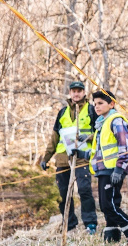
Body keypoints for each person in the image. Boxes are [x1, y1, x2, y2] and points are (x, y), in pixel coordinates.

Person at [38, 80, 98, 235]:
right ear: (70, 93)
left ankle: (90, 224)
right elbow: (54, 138)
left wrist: (88, 137)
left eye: (79, 91)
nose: (76, 93)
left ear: (84, 92)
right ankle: (69, 224)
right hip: (63, 159)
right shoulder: (62, 112)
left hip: (82, 157)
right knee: (64, 193)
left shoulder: (91, 110)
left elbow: (100, 133)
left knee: (84, 190)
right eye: (73, 91)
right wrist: (46, 158)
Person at [89, 90, 128, 243]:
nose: (97, 107)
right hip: (103, 169)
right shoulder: (102, 123)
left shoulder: (116, 121)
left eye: (100, 103)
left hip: (114, 169)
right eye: (95, 104)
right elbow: (101, 149)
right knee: (108, 203)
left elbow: (125, 146)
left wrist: (119, 169)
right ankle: (112, 234)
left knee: (108, 205)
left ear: (111, 104)